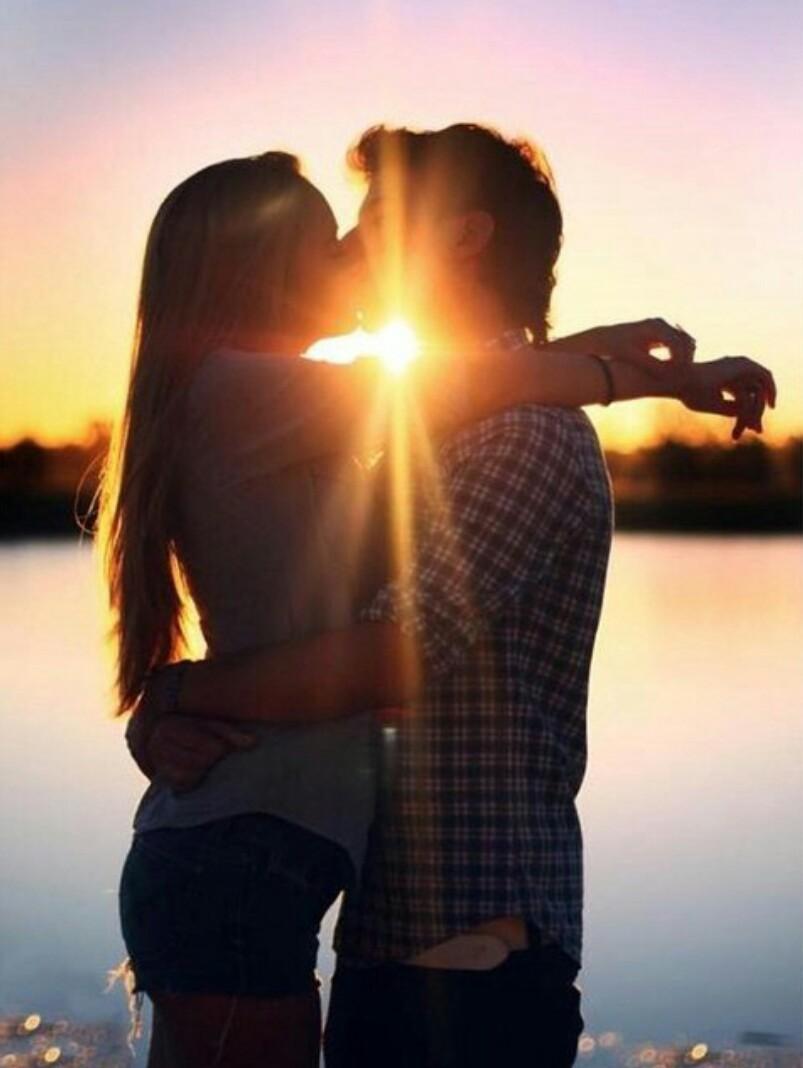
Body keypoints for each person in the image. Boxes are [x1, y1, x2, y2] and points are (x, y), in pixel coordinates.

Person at [115, 132, 774, 1068]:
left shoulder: (515, 435)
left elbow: (391, 653)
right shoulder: (357, 415)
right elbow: (457, 388)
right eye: (333, 238)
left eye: (372, 225)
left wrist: (177, 694)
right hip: (370, 923)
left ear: (462, 237)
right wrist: (649, 375)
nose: (352, 251)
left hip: (463, 950)